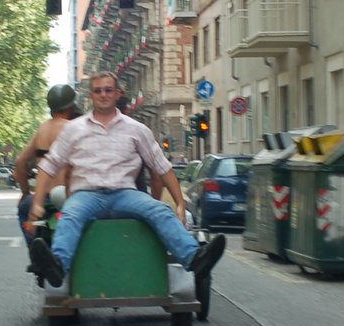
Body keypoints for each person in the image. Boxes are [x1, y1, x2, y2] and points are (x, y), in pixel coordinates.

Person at [25, 71, 224, 287]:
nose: (103, 95)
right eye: (98, 90)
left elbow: (162, 167)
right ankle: (57, 267)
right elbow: (49, 165)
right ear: (91, 95)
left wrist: (180, 202)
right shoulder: (74, 129)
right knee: (70, 216)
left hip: (125, 194)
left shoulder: (136, 129)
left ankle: (195, 258)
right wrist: (36, 203)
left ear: (117, 93)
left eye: (108, 90)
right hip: (86, 195)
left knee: (159, 210)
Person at [13, 83, 82, 245]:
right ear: (71, 106)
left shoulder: (42, 129)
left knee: (24, 211)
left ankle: (35, 250)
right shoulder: (75, 129)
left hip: (43, 198)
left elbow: (20, 161)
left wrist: (25, 193)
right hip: (71, 198)